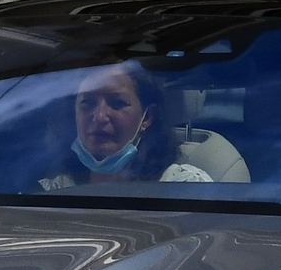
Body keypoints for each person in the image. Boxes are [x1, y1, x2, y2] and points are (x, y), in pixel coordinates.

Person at [36, 63, 216, 190]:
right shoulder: (53, 190)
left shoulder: (186, 187)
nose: (99, 117)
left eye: (117, 103)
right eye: (87, 103)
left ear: (147, 117)